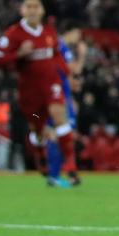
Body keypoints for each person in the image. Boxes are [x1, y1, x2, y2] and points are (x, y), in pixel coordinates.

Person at [0, 0, 80, 186]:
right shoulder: (13, 34)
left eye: (36, 7)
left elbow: (57, 55)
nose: (32, 10)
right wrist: (19, 54)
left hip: (51, 84)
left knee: (60, 118)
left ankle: (71, 167)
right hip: (30, 90)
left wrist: (67, 76)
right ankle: (41, 158)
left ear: (42, 10)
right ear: (22, 10)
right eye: (28, 7)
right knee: (38, 130)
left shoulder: (49, 32)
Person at [44, 27, 87, 187]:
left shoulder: (56, 45)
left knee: (62, 135)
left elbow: (63, 73)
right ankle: (55, 175)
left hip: (58, 94)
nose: (78, 39)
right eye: (78, 34)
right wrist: (82, 55)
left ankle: (63, 173)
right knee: (61, 135)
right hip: (58, 97)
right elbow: (74, 69)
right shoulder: (61, 45)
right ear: (72, 32)